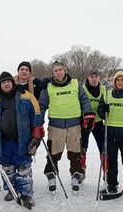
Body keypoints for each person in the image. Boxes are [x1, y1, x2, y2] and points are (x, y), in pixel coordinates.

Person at [39, 61, 95, 194]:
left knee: (75, 154)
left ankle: (75, 176)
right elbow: (41, 105)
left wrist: (87, 113)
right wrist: (38, 121)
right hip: (55, 126)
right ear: (53, 73)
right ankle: (51, 176)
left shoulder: (75, 84)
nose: (58, 72)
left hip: (74, 126)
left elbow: (84, 100)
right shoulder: (48, 87)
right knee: (53, 154)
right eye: (55, 70)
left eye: (60, 70)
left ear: (65, 71)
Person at [0, 71, 43, 205]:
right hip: (2, 141)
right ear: (0, 85)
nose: (6, 84)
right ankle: (11, 190)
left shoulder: (27, 96)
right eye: (3, 82)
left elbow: (36, 114)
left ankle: (25, 194)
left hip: (22, 140)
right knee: (7, 167)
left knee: (23, 167)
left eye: (8, 81)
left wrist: (36, 131)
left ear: (12, 83)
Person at [98, 71, 123, 200]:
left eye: (122, 80)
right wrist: (102, 110)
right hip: (110, 133)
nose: (120, 82)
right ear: (114, 82)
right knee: (112, 161)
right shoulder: (107, 95)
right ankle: (112, 184)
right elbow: (100, 112)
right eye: (117, 80)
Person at [81, 69, 107, 180]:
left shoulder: (103, 89)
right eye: (92, 76)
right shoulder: (82, 89)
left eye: (96, 77)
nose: (94, 79)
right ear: (88, 77)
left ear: (99, 78)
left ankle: (106, 170)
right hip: (85, 122)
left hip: (98, 122)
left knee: (103, 147)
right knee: (83, 147)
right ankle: (81, 170)